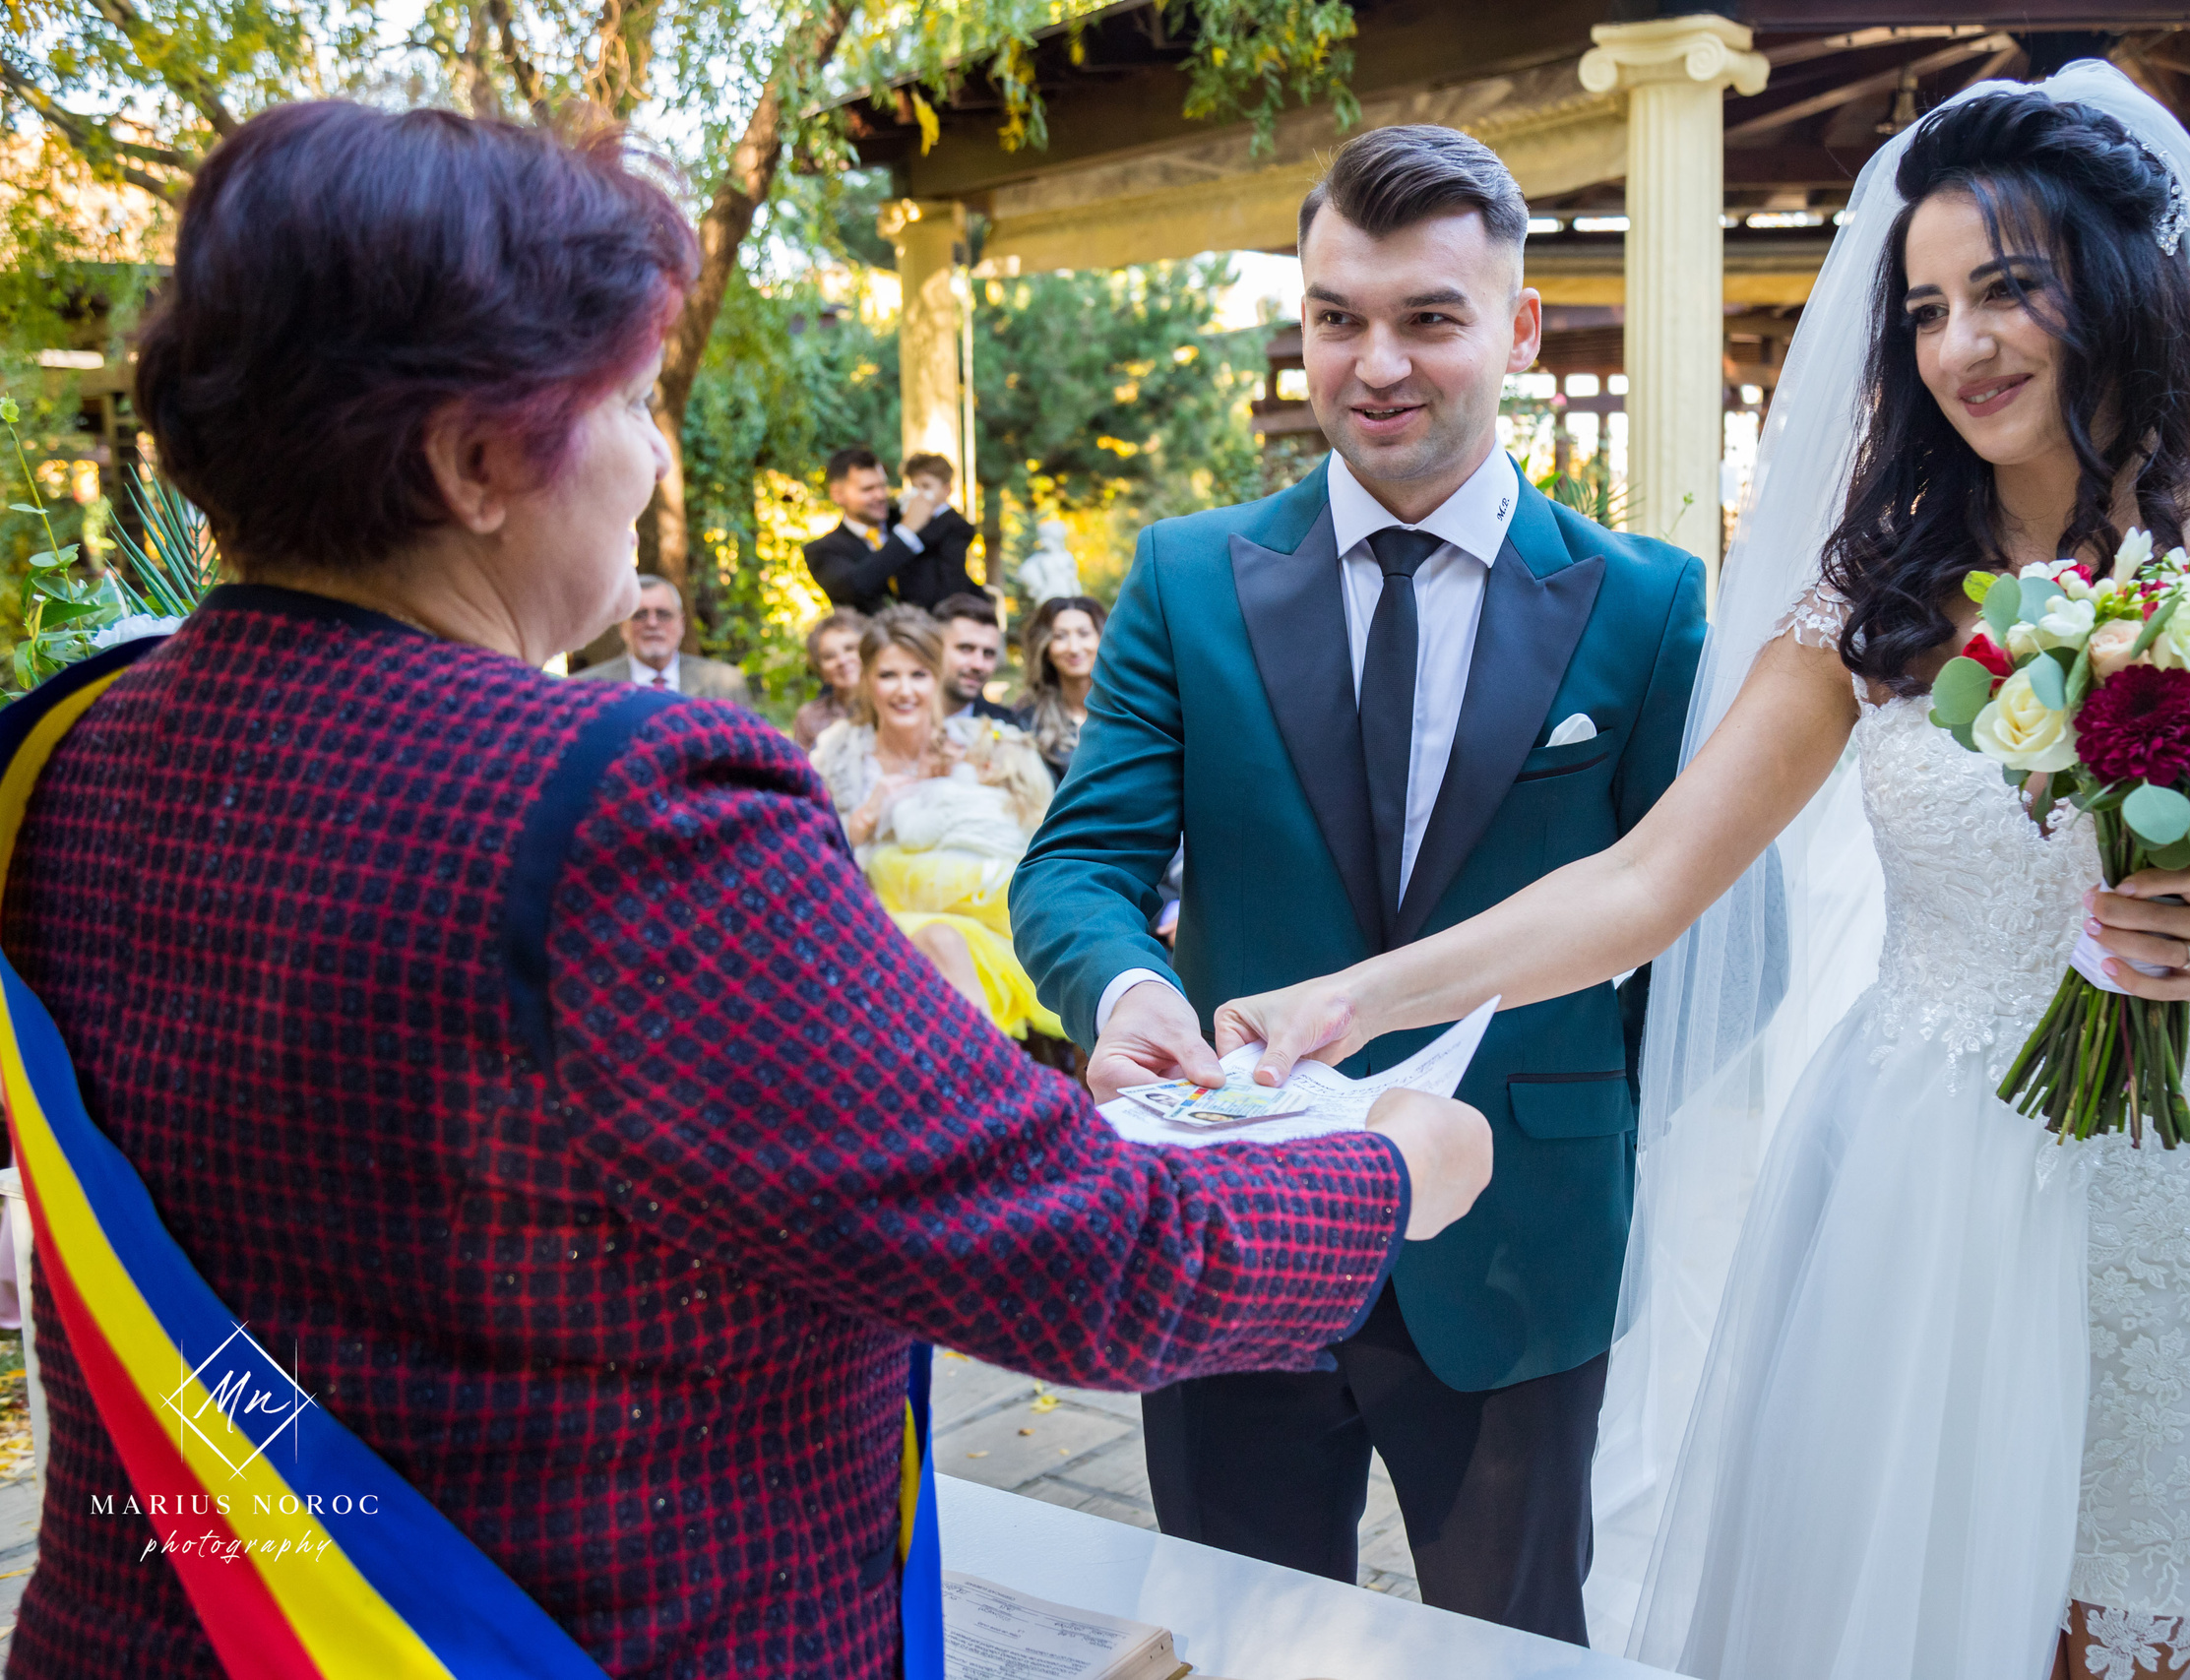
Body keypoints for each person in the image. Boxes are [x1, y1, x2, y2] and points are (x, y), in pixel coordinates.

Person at [0, 101, 1494, 1680]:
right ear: (480, 458)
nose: (654, 460)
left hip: (171, 1622)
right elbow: (1102, 1258)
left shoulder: (61, 754)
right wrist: (1388, 1170)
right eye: (636, 402)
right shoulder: (623, 805)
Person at [1216, 68, 2190, 1680]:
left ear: (2128, 278)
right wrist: (1344, 1000)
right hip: (1916, 1204)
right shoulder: (1879, 606)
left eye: (2010, 286)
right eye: (1925, 307)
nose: (1961, 345)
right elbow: (1642, 884)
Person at [1009, 125, 1708, 1645]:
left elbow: (1697, 935)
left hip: (1519, 1235)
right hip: (1228, 1216)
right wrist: (1130, 992)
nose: (1375, 362)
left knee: (1515, 1638)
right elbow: (1080, 864)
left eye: (1429, 317)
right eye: (1338, 316)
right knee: (1231, 1633)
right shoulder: (1188, 576)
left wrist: (1587, 1129)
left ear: (1518, 328)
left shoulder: (1650, 606)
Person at [813, 608, 1061, 1041]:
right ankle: (986, 1069)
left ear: (937, 676)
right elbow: (814, 861)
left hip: (988, 922)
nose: (905, 691)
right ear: (867, 679)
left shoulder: (982, 744)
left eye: (919, 675)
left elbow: (1026, 839)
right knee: (941, 941)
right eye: (889, 675)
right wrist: (870, 812)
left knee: (953, 939)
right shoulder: (838, 754)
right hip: (877, 924)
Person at [802, 446, 961, 613]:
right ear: (838, 494)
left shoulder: (919, 522)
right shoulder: (823, 551)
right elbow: (854, 588)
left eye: (882, 486)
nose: (881, 495)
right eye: (868, 489)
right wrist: (906, 534)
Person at [574, 572, 753, 701]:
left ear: (681, 624)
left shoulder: (726, 684)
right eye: (640, 615)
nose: (652, 623)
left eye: (663, 614)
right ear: (623, 627)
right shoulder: (587, 688)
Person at [1013, 593, 1105, 782]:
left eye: (1084, 633)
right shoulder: (1027, 722)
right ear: (1045, 648)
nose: (1073, 648)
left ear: (1102, 638)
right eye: (1060, 636)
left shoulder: (1130, 709)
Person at [935, 591, 1021, 723]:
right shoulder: (899, 718)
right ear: (935, 648)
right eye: (966, 648)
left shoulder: (1008, 726)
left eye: (988, 653)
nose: (978, 665)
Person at [903, 452, 979, 594]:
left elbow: (952, 580)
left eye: (926, 486)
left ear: (946, 489)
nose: (919, 494)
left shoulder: (956, 526)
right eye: (914, 487)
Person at [791, 605, 866, 749]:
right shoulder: (809, 718)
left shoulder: (892, 705)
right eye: (829, 656)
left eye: (850, 648)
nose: (842, 660)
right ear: (820, 670)